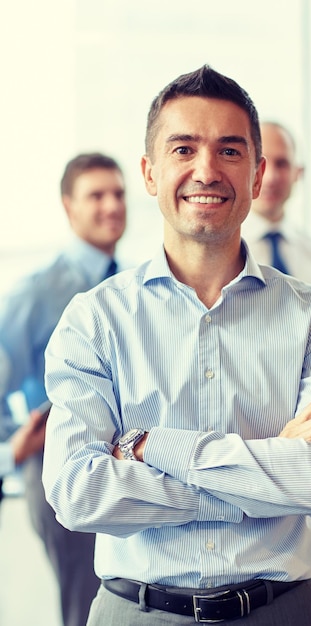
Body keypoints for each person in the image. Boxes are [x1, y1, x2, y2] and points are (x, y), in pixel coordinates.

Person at [42, 65, 311, 626]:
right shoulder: (94, 320)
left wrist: (151, 447)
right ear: (149, 172)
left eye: (230, 151)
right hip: (135, 610)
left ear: (258, 174)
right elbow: (77, 491)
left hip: (281, 611)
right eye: (184, 148)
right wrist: (261, 471)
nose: (206, 170)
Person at [0, 152, 127, 626]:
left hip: (129, 465)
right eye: (96, 195)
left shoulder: (137, 283)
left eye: (118, 194)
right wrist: (15, 440)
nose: (111, 205)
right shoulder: (36, 292)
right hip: (62, 466)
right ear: (68, 207)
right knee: (85, 605)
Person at [242, 121, 311, 316]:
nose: (270, 177)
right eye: (260, 163)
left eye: (282, 164)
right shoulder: (219, 257)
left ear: (298, 173)